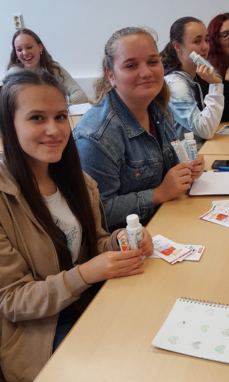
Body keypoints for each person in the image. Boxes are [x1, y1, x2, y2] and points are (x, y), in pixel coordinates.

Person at [0, 69, 154, 382]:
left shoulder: (76, 181)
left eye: (60, 116)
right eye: (36, 118)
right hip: (38, 336)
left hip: (89, 304)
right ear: (9, 124)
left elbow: (93, 244)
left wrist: (121, 241)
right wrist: (85, 275)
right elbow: (11, 300)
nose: (54, 129)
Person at [74, 27, 205, 233]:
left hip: (168, 218)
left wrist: (187, 167)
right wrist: (159, 193)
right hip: (128, 242)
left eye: (152, 61)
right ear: (111, 75)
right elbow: (98, 211)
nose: (146, 73)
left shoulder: (159, 108)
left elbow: (166, 168)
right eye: (131, 65)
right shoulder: (96, 137)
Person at [160, 17, 229, 149]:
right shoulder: (176, 84)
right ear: (177, 46)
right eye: (197, 41)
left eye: (206, 40)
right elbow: (205, 130)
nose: (205, 47)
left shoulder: (195, 75)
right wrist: (216, 85)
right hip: (188, 158)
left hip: (202, 150)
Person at [6, 29, 88, 105]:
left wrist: (56, 105)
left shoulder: (54, 68)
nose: (25, 53)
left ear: (40, 47)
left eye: (29, 47)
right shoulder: (13, 74)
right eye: (19, 50)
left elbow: (81, 96)